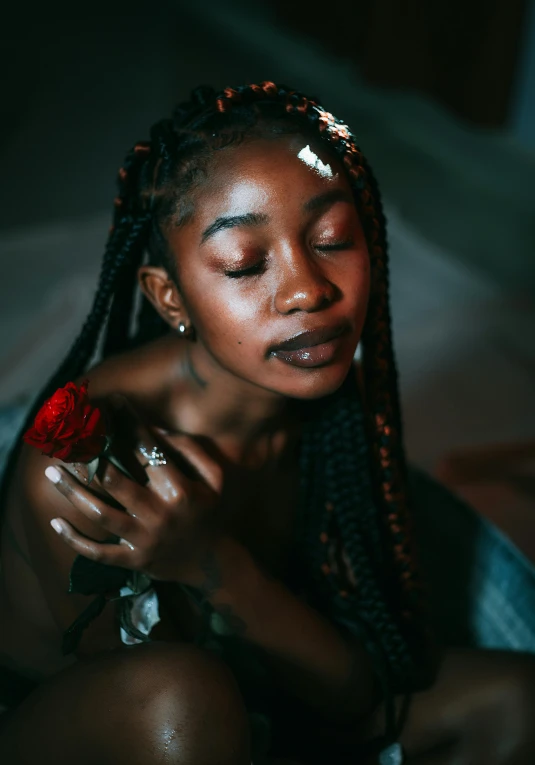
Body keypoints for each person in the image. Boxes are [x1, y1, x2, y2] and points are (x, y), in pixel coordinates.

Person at [0, 81, 534, 765]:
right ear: (170, 298)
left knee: (517, 698)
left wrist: (214, 563)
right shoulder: (79, 459)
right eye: (245, 263)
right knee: (184, 695)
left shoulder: (338, 402)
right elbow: (166, 718)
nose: (308, 288)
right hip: (92, 726)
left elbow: (352, 691)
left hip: (260, 694)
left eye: (333, 238)